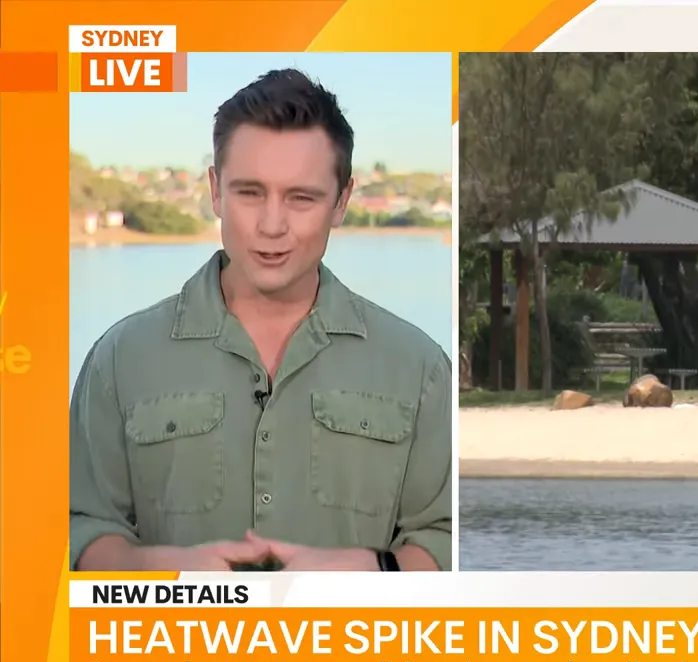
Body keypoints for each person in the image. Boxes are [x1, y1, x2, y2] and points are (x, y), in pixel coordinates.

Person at [69, 69, 452, 572]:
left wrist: (374, 570)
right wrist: (162, 572)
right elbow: (79, 527)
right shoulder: (119, 359)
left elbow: (448, 537)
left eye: (301, 197)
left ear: (341, 202)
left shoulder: (419, 367)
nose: (272, 226)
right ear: (215, 190)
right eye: (250, 193)